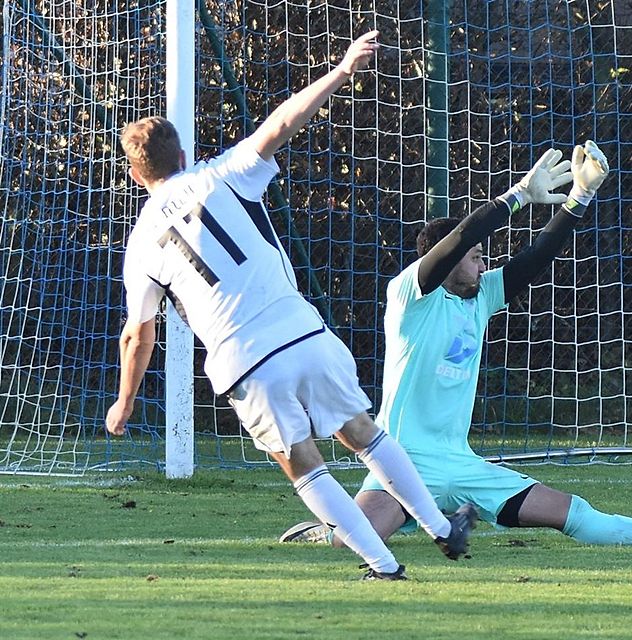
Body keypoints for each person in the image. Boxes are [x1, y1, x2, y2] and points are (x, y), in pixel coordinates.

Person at [106, 30, 478, 581]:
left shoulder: (140, 243)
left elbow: (139, 334)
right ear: (183, 154)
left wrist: (126, 400)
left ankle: (383, 565)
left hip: (245, 361)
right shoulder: (220, 173)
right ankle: (443, 530)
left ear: (136, 175)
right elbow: (281, 123)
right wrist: (343, 69)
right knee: (363, 433)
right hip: (302, 330)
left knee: (303, 462)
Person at [280, 141, 632, 550]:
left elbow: (535, 259)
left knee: (572, 512)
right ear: (450, 259)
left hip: (461, 465)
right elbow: (461, 237)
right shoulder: (409, 298)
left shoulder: (478, 300)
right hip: (402, 462)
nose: (484, 264)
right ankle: (337, 528)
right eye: (477, 257)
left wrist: (580, 196)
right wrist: (518, 194)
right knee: (350, 543)